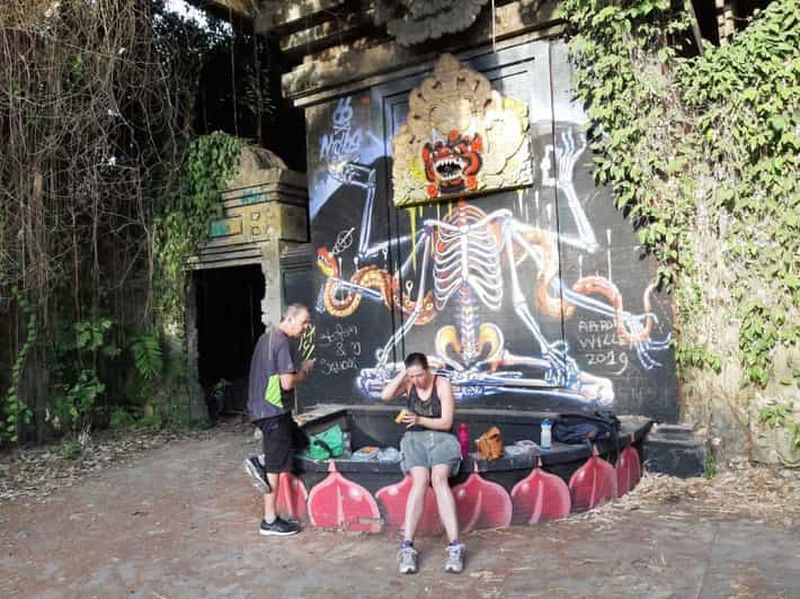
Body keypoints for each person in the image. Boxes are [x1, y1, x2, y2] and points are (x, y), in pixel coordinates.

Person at [381, 352, 465, 574]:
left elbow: (446, 422)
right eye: (412, 375)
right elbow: (385, 395)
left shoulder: (442, 384)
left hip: (442, 439)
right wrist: (403, 373)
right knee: (420, 481)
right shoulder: (409, 382)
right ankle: (407, 546)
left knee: (439, 479)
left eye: (419, 374)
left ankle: (455, 545)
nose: (416, 379)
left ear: (428, 370)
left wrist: (419, 419)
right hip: (415, 440)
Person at [244, 303, 314, 537]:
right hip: (273, 413)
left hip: (266, 411)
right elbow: (287, 382)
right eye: (303, 322)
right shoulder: (283, 341)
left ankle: (265, 460)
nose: (305, 327)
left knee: (301, 442)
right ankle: (269, 519)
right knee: (275, 466)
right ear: (290, 318)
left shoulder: (267, 338)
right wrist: (304, 371)